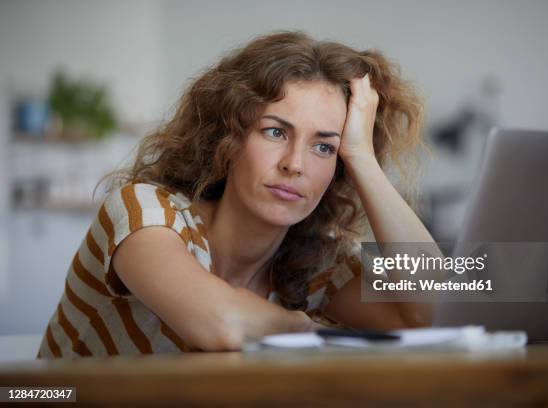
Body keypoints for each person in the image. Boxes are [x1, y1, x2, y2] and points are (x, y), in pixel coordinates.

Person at [37, 31, 436, 358]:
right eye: (275, 131)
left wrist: (363, 158)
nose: (294, 164)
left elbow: (436, 310)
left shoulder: (317, 269)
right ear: (227, 139)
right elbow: (220, 324)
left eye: (324, 147)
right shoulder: (144, 210)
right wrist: (302, 325)